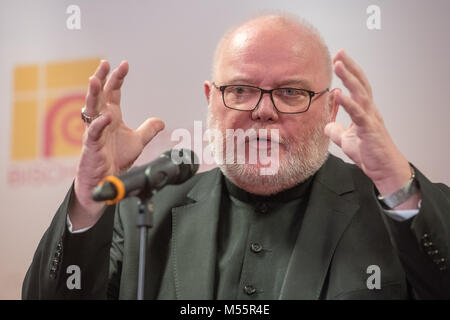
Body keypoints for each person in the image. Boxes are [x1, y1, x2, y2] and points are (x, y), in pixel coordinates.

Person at [22, 13, 450, 299]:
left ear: (330, 107)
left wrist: (397, 184)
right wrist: (89, 195)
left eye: (290, 92)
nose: (263, 110)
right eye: (241, 90)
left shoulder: (391, 210)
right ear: (212, 100)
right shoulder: (144, 209)